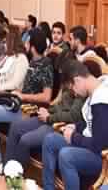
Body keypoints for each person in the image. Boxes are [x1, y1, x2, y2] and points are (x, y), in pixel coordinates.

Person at [0, 29, 53, 171]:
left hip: (30, 110)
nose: (24, 42)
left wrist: (23, 96)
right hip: (19, 103)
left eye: (28, 40)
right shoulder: (32, 61)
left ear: (32, 46)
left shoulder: (45, 65)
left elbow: (46, 96)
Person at [42, 60, 108, 190]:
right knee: (50, 139)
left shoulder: (101, 100)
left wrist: (73, 137)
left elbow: (99, 144)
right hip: (91, 145)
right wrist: (76, 127)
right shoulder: (96, 88)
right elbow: (91, 123)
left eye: (72, 89)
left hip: (101, 156)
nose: (75, 94)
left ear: (77, 80)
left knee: (66, 156)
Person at [5, 80, 84, 167]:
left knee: (25, 140)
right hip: (50, 117)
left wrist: (49, 117)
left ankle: (16, 176)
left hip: (59, 125)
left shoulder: (81, 88)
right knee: (16, 126)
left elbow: (73, 116)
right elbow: (58, 104)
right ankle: (7, 170)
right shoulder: (67, 79)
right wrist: (47, 110)